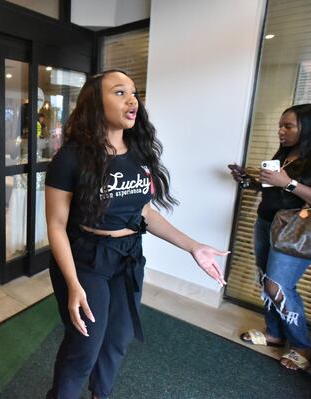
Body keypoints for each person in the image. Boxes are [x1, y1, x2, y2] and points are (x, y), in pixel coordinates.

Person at [44, 70, 228, 399]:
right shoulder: (70, 158)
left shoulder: (138, 153)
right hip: (87, 259)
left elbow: (144, 211)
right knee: (85, 346)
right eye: (119, 92)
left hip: (129, 257)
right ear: (95, 104)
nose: (133, 100)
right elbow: (56, 225)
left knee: (118, 338)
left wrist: (193, 247)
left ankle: (100, 393)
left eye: (134, 93)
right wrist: (73, 284)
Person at [231, 104, 311, 372]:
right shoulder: (286, 154)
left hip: (293, 231)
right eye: (281, 125)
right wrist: (248, 181)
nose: (281, 131)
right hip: (266, 223)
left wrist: (287, 182)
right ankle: (274, 335)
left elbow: (288, 188)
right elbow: (272, 189)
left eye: (288, 126)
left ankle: (301, 346)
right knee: (266, 281)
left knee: (278, 287)